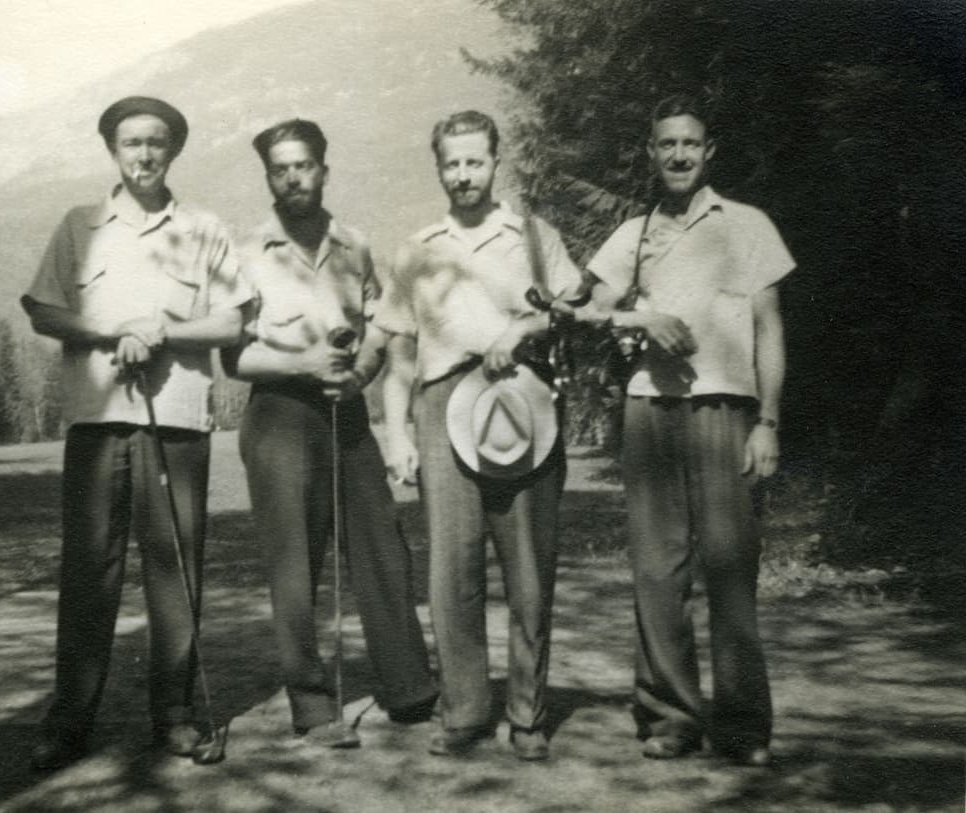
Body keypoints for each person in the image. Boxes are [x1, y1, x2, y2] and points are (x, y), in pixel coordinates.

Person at [21, 96, 252, 770]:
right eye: (130, 143)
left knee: (174, 567)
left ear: (173, 149)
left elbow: (234, 322)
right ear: (112, 151)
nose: (144, 154)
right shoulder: (79, 223)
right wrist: (111, 330)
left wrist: (163, 331)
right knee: (89, 570)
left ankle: (174, 714)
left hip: (176, 419)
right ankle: (70, 719)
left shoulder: (204, 227)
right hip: (97, 423)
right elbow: (42, 309)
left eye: (156, 142)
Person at [584, 94, 793, 766]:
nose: (677, 154)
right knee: (655, 570)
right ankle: (670, 714)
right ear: (651, 153)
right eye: (665, 143)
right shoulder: (635, 232)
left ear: (709, 153)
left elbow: (770, 330)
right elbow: (585, 310)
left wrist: (767, 421)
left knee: (730, 569)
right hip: (650, 413)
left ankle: (742, 726)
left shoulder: (747, 224)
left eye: (689, 144)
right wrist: (639, 320)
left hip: (726, 411)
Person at [376, 110, 585, 760]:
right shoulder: (417, 248)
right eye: (452, 163)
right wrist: (397, 433)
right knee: (453, 569)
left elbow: (573, 305)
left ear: (496, 162)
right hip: (443, 405)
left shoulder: (532, 236)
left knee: (528, 568)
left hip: (521, 404)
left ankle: (527, 715)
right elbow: (399, 357)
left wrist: (519, 332)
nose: (463, 174)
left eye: (475, 161)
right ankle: (464, 711)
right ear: (437, 167)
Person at [224, 119, 438, 748]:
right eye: (280, 168)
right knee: (295, 561)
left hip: (345, 411)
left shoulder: (355, 247)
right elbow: (231, 359)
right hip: (279, 414)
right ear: (269, 177)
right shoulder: (247, 254)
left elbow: (378, 327)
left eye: (305, 165)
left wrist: (364, 372)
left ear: (324, 169)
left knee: (382, 546)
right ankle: (313, 706)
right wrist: (302, 365)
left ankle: (408, 690)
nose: (294, 177)